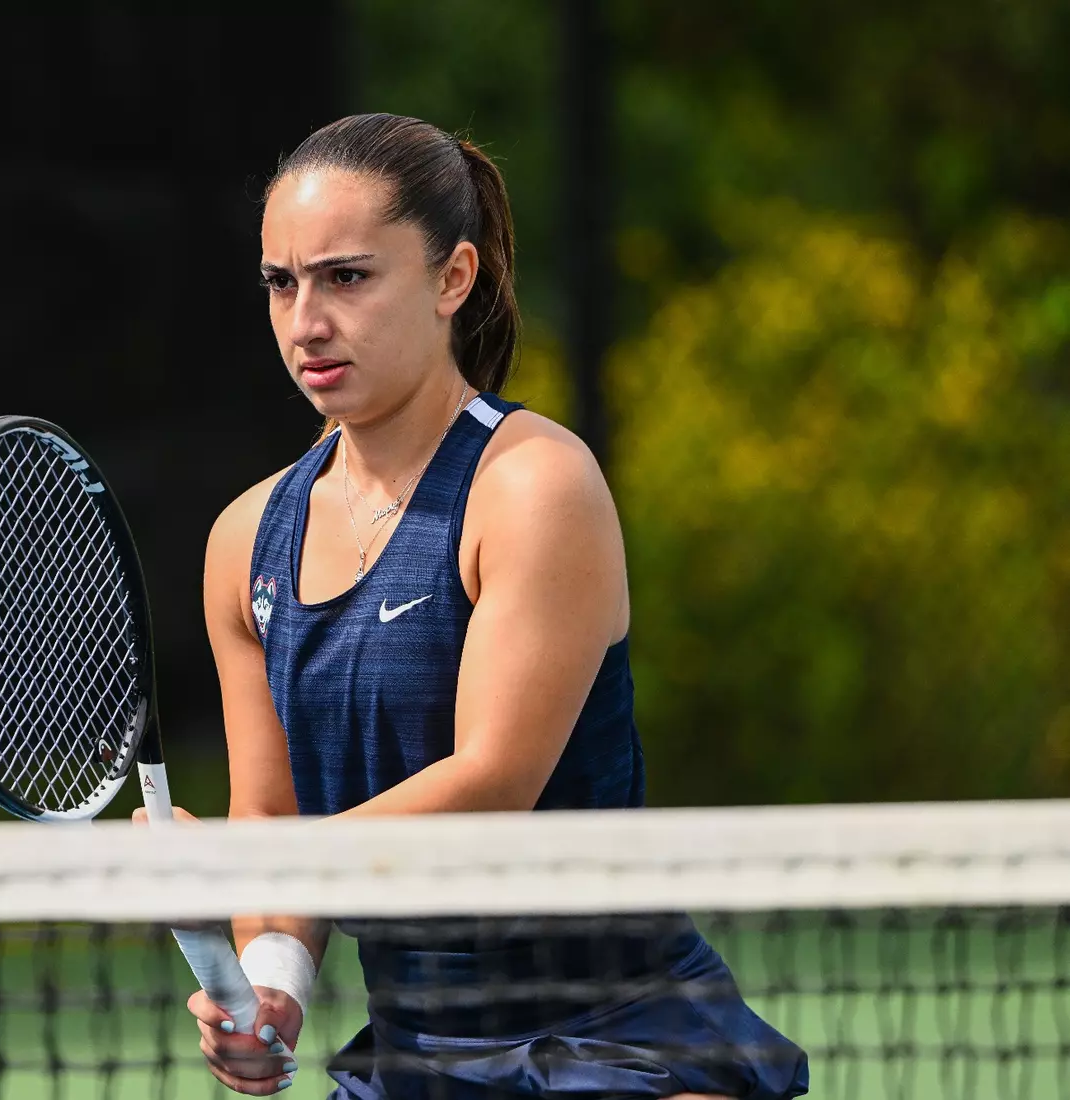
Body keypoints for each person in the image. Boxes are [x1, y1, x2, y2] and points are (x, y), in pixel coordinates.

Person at [137, 113, 809, 1099]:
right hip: (414, 1051)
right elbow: (272, 809)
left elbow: (493, 782)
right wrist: (273, 984)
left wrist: (258, 858)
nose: (306, 321)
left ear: (453, 278)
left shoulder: (535, 485)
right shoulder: (246, 542)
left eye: (347, 276)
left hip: (623, 1032)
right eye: (282, 282)